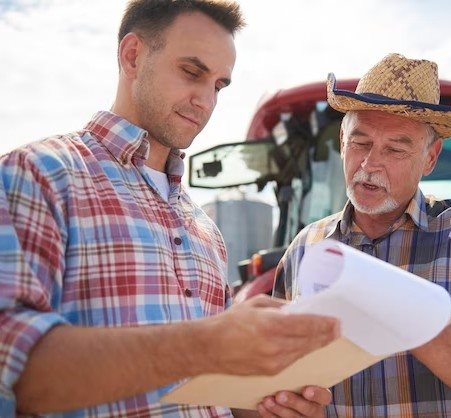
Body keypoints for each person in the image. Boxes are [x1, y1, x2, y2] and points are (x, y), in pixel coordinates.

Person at [0, 1, 339, 417]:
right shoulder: (40, 174)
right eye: (192, 73)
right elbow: (13, 377)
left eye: (218, 85)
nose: (205, 101)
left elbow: (209, 393)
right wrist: (207, 342)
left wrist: (270, 402)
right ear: (132, 56)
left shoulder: (204, 229)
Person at [273, 53, 451, 417]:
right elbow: (271, 383)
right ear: (342, 140)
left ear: (430, 158)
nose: (369, 164)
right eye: (360, 143)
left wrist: (397, 308)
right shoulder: (303, 249)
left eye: (395, 148)